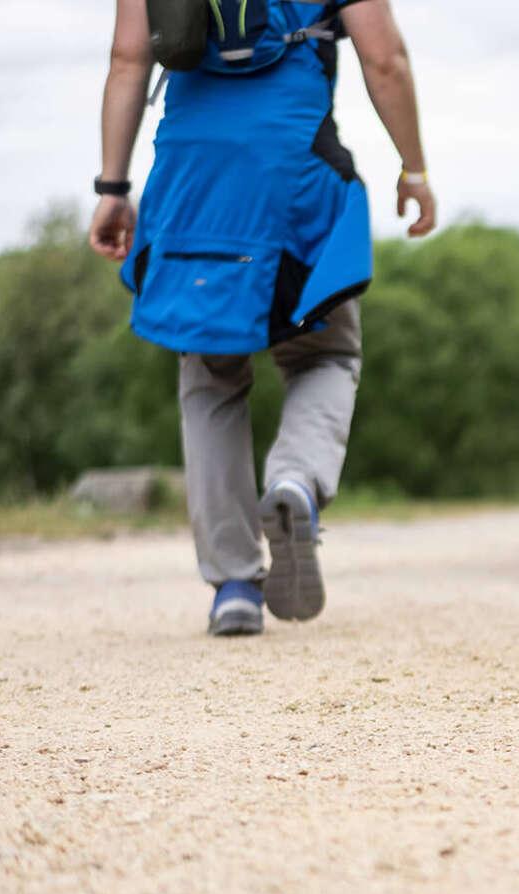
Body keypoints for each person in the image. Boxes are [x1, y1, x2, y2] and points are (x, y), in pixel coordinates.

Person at [89, 0, 438, 637]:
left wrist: (113, 189)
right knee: (326, 354)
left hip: (192, 174)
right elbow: (384, 58)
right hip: (292, 164)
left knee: (210, 374)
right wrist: (413, 169)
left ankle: (234, 587)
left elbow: (127, 59)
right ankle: (296, 481)